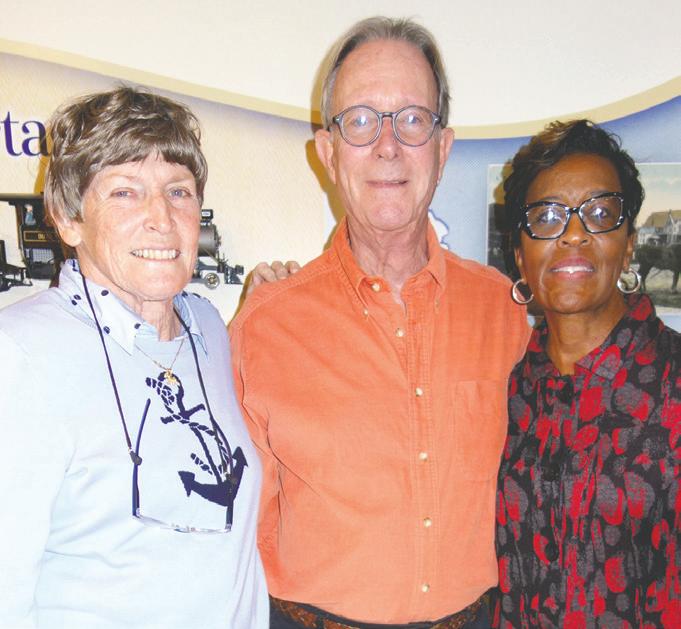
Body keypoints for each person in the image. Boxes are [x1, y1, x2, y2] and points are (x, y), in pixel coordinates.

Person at [231, 17, 530, 628]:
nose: (388, 145)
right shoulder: (265, 324)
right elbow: (232, 523)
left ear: (443, 149)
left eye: (413, 119)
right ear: (328, 152)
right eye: (361, 120)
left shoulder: (507, 313)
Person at [0, 87, 269, 628]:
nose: (161, 218)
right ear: (67, 218)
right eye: (125, 192)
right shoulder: (20, 354)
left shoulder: (206, 328)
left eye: (178, 191)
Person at [494, 119, 681, 627]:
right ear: (520, 255)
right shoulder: (510, 391)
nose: (574, 234)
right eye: (547, 217)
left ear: (629, 244)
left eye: (600, 213)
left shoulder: (673, 381)